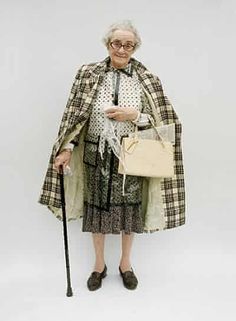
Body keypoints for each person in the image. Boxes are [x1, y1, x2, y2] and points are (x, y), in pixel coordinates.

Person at [38, 20, 186, 291]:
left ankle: (125, 264)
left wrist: (135, 115)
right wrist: (67, 149)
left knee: (130, 215)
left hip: (131, 155)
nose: (122, 49)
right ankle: (99, 265)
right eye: (116, 43)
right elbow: (75, 118)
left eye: (128, 44)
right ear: (108, 45)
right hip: (95, 154)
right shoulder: (88, 74)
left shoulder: (147, 80)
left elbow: (165, 121)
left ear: (135, 47)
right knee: (98, 214)